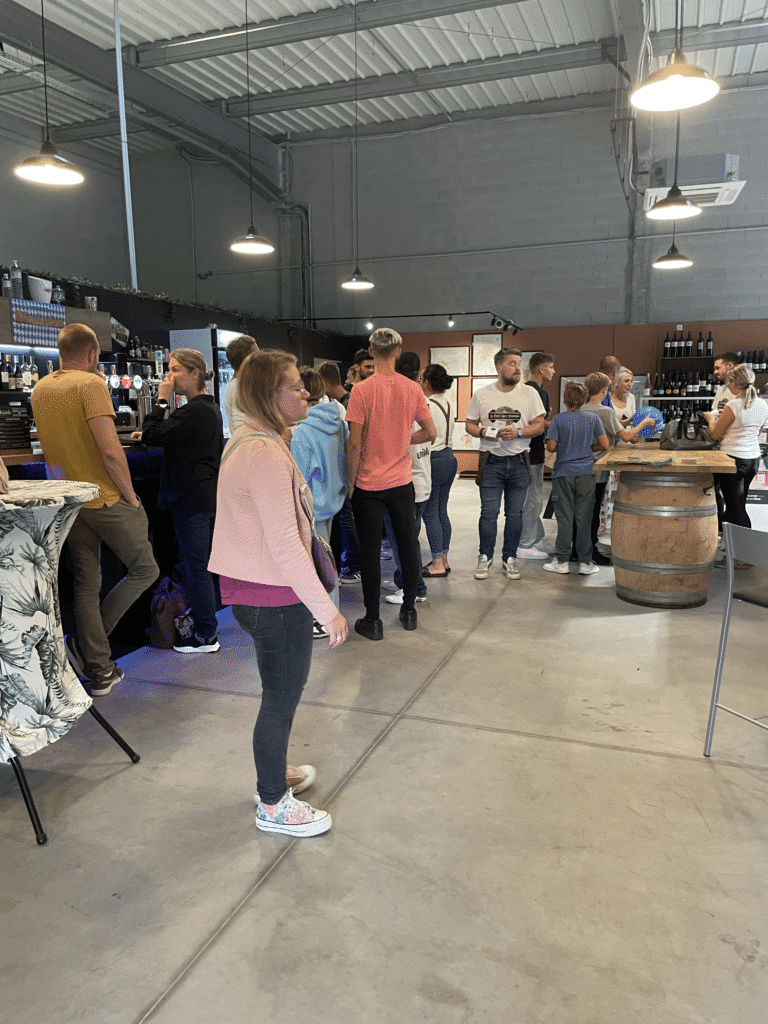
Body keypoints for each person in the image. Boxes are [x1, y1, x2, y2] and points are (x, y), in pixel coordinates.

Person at [208, 349, 348, 837]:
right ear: (269, 396)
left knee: (278, 691)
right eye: (294, 386)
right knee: (281, 697)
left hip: (258, 591)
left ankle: (273, 774)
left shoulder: (253, 439)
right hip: (273, 594)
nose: (306, 392)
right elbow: (286, 543)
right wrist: (326, 608)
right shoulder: (263, 453)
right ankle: (273, 803)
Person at [30, 323, 158, 696]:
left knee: (87, 582)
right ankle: (89, 648)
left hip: (67, 500)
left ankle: (100, 671)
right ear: (91, 355)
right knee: (146, 568)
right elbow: (110, 451)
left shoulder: (41, 388)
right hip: (103, 496)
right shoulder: (90, 385)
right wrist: (132, 497)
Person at [346, 328, 436, 640]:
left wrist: (350, 482)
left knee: (370, 553)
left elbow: (354, 445)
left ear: (371, 350)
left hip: (369, 485)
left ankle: (372, 620)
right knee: (408, 546)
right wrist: (402, 440)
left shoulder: (360, 391)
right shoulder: (412, 389)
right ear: (398, 352)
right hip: (401, 483)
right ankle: (408, 611)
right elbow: (430, 433)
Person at [136, 349, 223, 654]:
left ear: (194, 373)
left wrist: (160, 400)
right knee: (201, 566)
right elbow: (165, 435)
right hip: (203, 495)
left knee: (197, 567)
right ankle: (207, 625)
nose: (169, 377)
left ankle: (205, 636)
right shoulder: (207, 409)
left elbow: (151, 434)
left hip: (191, 498)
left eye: (175, 370)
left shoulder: (194, 411)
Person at [465, 347, 545, 581]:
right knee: (489, 513)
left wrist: (519, 431)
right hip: (490, 460)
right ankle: (485, 556)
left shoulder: (529, 394)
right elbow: (469, 424)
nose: (517, 367)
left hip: (520, 461)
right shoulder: (482, 394)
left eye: (519, 363)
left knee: (515, 515)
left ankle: (510, 558)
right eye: (511, 363)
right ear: (499, 367)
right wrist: (482, 431)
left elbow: (539, 425)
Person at [291, 366, 348, 636]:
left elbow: (299, 475)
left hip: (313, 504)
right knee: (327, 558)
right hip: (334, 497)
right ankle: (327, 614)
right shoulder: (338, 418)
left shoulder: (301, 431)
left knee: (315, 563)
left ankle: (323, 618)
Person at [583, 373, 655, 565]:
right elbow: (625, 435)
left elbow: (616, 429)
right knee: (593, 510)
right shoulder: (605, 412)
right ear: (604, 390)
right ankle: (590, 551)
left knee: (582, 510)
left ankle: (580, 548)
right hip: (598, 467)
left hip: (581, 466)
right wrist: (645, 423)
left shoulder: (581, 409)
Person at [705, 364, 768, 567]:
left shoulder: (735, 405)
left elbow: (715, 434)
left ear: (734, 382)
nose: (726, 385)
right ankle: (740, 551)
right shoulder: (762, 405)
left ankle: (742, 557)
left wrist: (710, 419)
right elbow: (756, 431)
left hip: (732, 460)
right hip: (751, 460)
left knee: (735, 507)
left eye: (728, 381)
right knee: (740, 503)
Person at [544, 381, 609, 576]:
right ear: (584, 399)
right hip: (586, 473)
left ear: (565, 399)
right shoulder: (593, 419)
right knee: (584, 518)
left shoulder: (558, 420)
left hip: (563, 473)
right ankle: (585, 562)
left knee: (565, 518)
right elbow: (605, 444)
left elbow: (551, 447)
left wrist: (564, 446)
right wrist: (588, 449)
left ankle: (562, 561)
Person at [383, 352, 431, 605]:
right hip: (420, 481)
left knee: (404, 542)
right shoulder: (423, 401)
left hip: (407, 483)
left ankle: (416, 587)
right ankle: (404, 579)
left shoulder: (404, 403)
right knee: (407, 538)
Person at [420, 363, 458, 577]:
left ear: (426, 381)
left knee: (430, 512)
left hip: (433, 459)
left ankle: (436, 562)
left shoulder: (426, 403)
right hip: (449, 458)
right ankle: (443, 558)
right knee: (442, 511)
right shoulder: (447, 403)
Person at [517, 351, 555, 559]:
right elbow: (536, 425)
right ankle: (525, 543)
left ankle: (537, 537)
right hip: (532, 453)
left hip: (531, 452)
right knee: (532, 499)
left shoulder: (531, 391)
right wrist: (560, 423)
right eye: (550, 367)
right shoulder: (536, 392)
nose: (553, 371)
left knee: (535, 497)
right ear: (541, 369)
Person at [225, 334, 258, 434]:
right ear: (248, 359)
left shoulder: (243, 385)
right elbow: (241, 427)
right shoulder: (239, 387)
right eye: (257, 354)